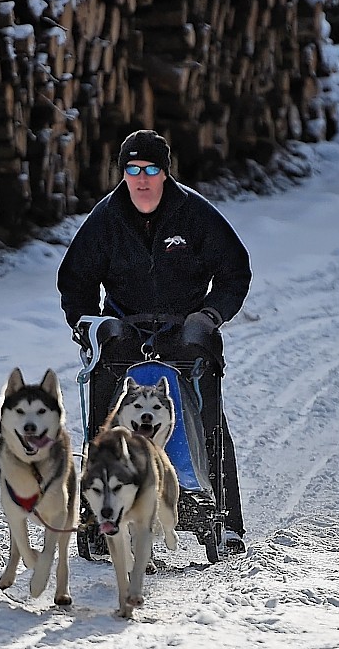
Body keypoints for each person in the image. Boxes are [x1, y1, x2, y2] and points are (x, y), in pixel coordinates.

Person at [57, 128, 251, 553]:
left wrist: (209, 316)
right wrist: (90, 325)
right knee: (102, 422)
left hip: (185, 332)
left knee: (210, 421)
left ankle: (225, 518)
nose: (141, 179)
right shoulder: (106, 219)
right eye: (132, 170)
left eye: (150, 170)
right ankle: (97, 512)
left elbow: (235, 270)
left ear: (165, 173)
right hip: (125, 330)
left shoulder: (195, 216)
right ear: (122, 173)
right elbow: (75, 280)